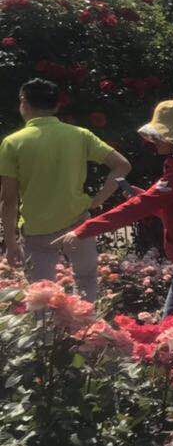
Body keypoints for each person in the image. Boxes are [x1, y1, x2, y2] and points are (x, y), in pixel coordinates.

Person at [61, 100, 173, 326]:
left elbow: (138, 208)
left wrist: (84, 230)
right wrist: (142, 198)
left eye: (159, 136)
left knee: (171, 335)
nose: (154, 141)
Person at [0, 78, 131, 301]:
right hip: (78, 223)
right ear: (56, 105)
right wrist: (98, 199)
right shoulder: (79, 135)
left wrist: (10, 242)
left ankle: (45, 326)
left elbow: (8, 198)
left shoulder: (13, 143)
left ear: (24, 102)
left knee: (41, 296)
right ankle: (87, 323)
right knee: (86, 283)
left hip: (36, 229)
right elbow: (122, 165)